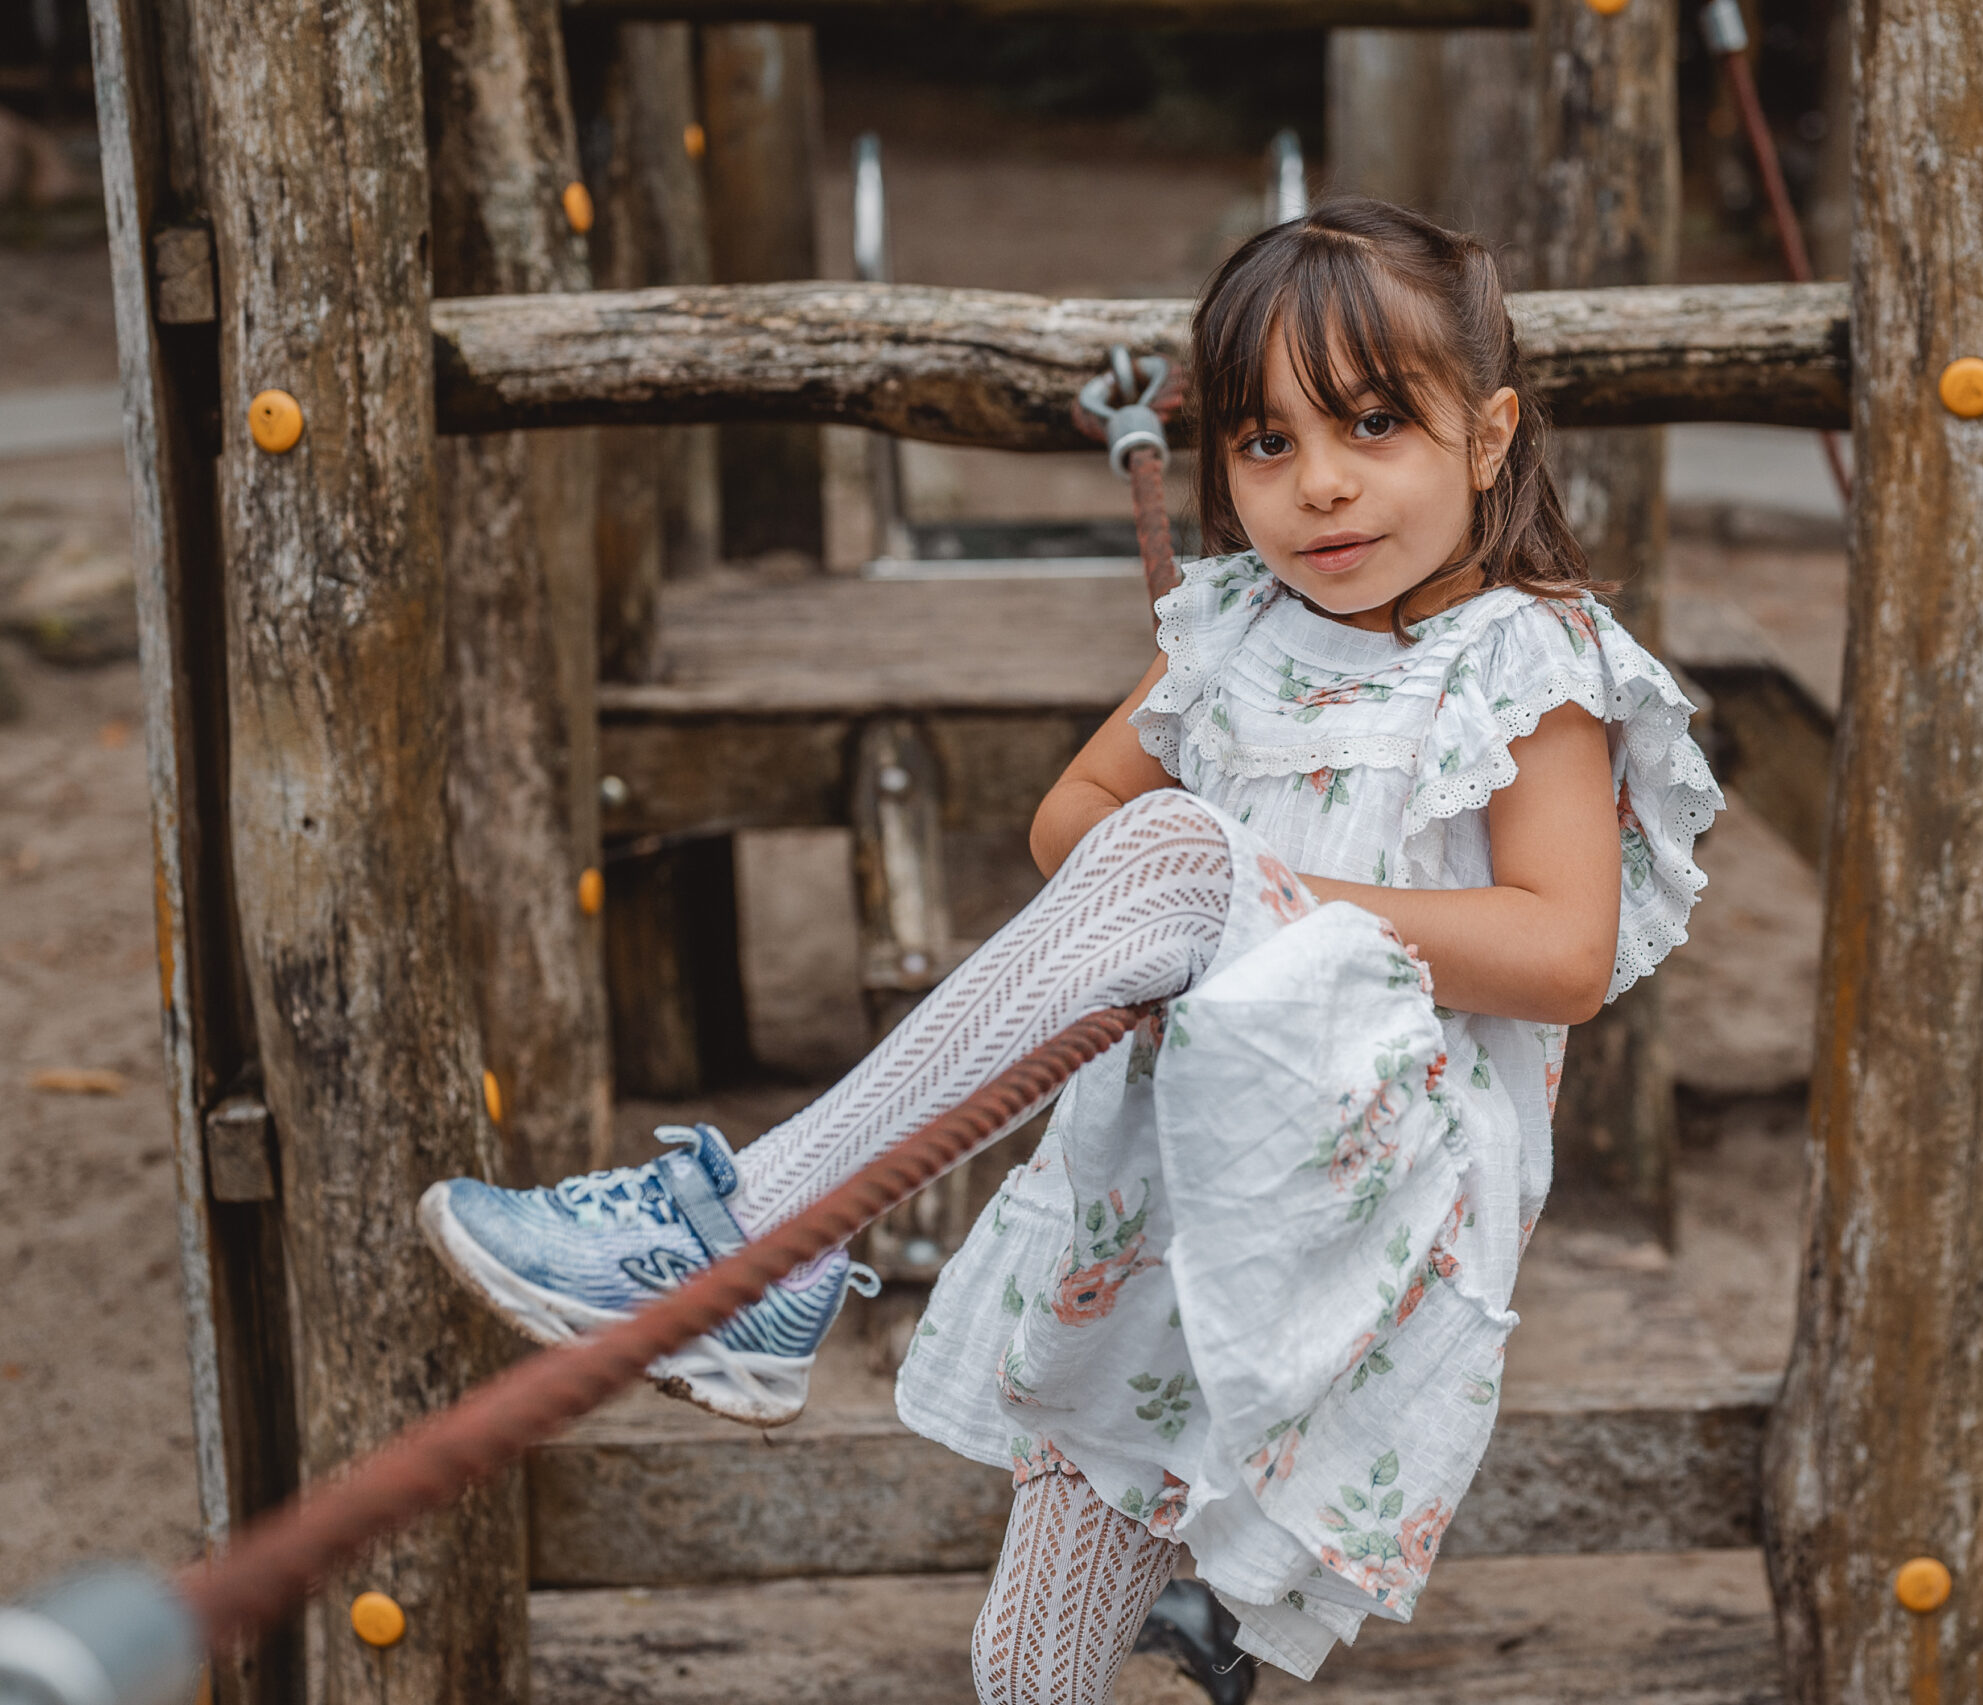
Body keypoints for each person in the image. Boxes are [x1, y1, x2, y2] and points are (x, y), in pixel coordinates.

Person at [417, 198, 1720, 1702]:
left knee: (1180, 854)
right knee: (1027, 1656)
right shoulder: (1233, 623)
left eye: (1374, 421)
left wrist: (1256, 894)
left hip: (1376, 1166)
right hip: (1169, 1169)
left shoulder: (1526, 660)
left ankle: (761, 1234)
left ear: (1490, 436)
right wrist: (1199, 898)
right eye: (1266, 442)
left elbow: (1565, 951)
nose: (1320, 486)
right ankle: (776, 1257)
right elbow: (1071, 815)